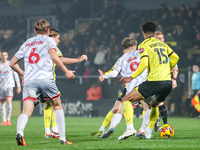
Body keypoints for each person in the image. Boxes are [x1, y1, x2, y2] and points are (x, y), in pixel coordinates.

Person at [9, 19, 75, 146]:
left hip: (30, 81)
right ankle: (62, 138)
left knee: (26, 111)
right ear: (48, 31)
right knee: (57, 105)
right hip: (45, 78)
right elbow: (54, 57)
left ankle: (20, 133)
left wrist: (23, 73)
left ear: (35, 31)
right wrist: (66, 71)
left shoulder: (27, 43)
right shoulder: (50, 40)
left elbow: (12, 64)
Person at [119, 21, 179, 140]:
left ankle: (130, 128)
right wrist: (169, 70)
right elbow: (175, 57)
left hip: (154, 81)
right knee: (154, 105)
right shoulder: (163, 44)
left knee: (126, 99)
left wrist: (131, 77)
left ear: (143, 32)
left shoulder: (143, 45)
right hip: (167, 82)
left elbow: (144, 64)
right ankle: (148, 132)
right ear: (154, 31)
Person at [90, 37, 148, 139]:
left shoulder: (121, 59)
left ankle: (111, 127)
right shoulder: (140, 53)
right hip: (144, 85)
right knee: (148, 106)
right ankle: (145, 130)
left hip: (130, 89)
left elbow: (114, 73)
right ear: (133, 46)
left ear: (123, 48)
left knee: (118, 109)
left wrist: (104, 76)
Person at [43, 29, 88, 139]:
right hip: (46, 79)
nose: (59, 41)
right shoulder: (51, 47)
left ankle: (48, 131)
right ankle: (54, 129)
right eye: (58, 38)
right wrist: (78, 60)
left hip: (36, 78)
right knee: (57, 101)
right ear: (52, 37)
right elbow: (60, 59)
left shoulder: (39, 45)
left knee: (48, 103)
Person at [153, 30, 178, 131]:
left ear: (163, 39)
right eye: (157, 38)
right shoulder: (151, 50)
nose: (159, 40)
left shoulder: (167, 51)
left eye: (160, 38)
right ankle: (159, 121)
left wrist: (174, 79)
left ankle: (162, 124)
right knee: (151, 103)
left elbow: (175, 68)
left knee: (159, 102)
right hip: (152, 79)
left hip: (163, 80)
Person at [0, 50, 21, 126]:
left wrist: (18, 85)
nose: (4, 57)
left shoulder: (10, 64)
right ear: (0, 56)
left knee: (9, 101)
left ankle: (8, 120)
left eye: (5, 55)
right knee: (2, 103)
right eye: (2, 55)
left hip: (9, 86)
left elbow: (15, 75)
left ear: (7, 56)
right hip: (1, 87)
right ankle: (4, 121)